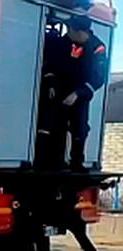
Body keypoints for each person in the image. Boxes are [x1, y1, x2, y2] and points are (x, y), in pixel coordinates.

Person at [42, 13, 108, 171]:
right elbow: (51, 64)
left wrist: (78, 93)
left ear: (81, 32)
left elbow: (98, 77)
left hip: (81, 93)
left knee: (80, 128)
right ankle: (55, 161)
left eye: (71, 31)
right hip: (59, 91)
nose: (68, 34)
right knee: (57, 127)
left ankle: (76, 162)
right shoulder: (63, 42)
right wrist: (50, 84)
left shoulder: (97, 47)